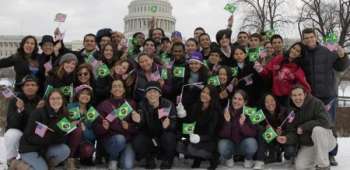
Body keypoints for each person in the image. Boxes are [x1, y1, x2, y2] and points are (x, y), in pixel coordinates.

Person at [300, 28, 349, 165]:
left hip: (328, 96)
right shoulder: (303, 54)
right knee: (312, 127)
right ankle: (315, 153)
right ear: (303, 39)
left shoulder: (328, 50)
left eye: (311, 37)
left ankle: (331, 154)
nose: (309, 40)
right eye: (306, 38)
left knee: (329, 125)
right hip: (311, 98)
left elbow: (340, 66)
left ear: (316, 37)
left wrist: (343, 56)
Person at [277, 85, 336, 170]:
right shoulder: (292, 112)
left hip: (326, 140)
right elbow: (293, 132)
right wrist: (286, 138)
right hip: (309, 145)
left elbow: (326, 122)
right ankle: (318, 160)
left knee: (317, 130)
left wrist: (304, 127)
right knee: (300, 166)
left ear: (304, 94)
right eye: (294, 95)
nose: (297, 98)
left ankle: (323, 166)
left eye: (300, 94)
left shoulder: (316, 103)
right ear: (291, 97)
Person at [14, 89, 71, 170]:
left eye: (58, 98)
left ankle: (47, 165)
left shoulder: (64, 115)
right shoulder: (38, 113)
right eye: (53, 98)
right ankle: (18, 164)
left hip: (45, 148)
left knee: (65, 150)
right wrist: (50, 137)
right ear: (48, 100)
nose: (56, 101)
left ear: (62, 100)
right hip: (30, 149)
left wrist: (58, 135)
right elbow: (29, 136)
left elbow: (62, 138)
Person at [132, 81, 177, 169]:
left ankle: (168, 159)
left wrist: (168, 125)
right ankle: (149, 157)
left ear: (160, 94)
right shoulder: (141, 104)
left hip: (164, 134)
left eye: (155, 92)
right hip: (150, 134)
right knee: (138, 141)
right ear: (145, 95)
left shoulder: (168, 104)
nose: (152, 94)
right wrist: (138, 121)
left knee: (169, 137)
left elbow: (174, 123)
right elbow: (141, 126)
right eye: (149, 92)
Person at [95, 79, 138, 170]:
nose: (117, 88)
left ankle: (118, 156)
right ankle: (112, 159)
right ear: (111, 90)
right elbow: (96, 128)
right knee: (119, 139)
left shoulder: (131, 104)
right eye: (114, 86)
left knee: (128, 166)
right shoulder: (103, 105)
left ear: (124, 90)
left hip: (127, 141)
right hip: (110, 141)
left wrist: (129, 127)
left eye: (120, 86)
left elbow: (137, 127)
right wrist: (103, 127)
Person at [177, 85, 221, 170]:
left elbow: (211, 134)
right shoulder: (195, 106)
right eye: (203, 92)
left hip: (208, 141)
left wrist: (199, 138)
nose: (204, 94)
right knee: (180, 144)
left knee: (191, 148)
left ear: (212, 97)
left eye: (208, 93)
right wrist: (182, 116)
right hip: (193, 139)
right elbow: (188, 126)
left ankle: (213, 158)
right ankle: (198, 157)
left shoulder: (214, 112)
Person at [256, 42, 311, 106]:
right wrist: (256, 64)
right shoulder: (278, 59)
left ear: (300, 55)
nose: (294, 51)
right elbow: (265, 72)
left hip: (288, 99)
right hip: (275, 96)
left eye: (297, 51)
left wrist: (304, 100)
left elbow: (306, 87)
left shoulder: (298, 69)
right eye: (293, 48)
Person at [4, 75, 42, 166]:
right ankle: (11, 159)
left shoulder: (41, 101)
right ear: (23, 87)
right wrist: (19, 110)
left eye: (33, 85)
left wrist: (38, 112)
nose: (30, 87)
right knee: (11, 134)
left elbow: (41, 124)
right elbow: (11, 123)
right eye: (27, 85)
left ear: (37, 87)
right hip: (20, 131)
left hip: (34, 133)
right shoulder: (15, 100)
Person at [254, 93, 297, 169]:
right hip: (269, 139)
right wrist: (264, 127)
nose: (270, 104)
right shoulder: (260, 113)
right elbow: (253, 125)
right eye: (267, 102)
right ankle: (260, 160)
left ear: (276, 101)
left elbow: (291, 129)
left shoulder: (285, 111)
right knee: (261, 130)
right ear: (263, 104)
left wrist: (282, 132)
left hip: (283, 138)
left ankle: (288, 158)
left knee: (290, 150)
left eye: (272, 100)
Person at [218, 90, 258, 169]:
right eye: (235, 98)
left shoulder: (251, 112)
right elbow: (222, 135)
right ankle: (229, 158)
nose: (236, 101)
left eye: (240, 99)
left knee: (252, 143)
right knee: (221, 144)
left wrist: (242, 125)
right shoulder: (226, 111)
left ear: (245, 102)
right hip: (231, 145)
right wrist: (227, 122)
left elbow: (254, 133)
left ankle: (248, 159)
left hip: (244, 145)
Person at [66, 85, 97, 169]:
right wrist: (71, 125)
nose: (85, 96)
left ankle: (77, 158)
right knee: (77, 128)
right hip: (69, 141)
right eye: (82, 93)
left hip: (83, 142)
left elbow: (93, 136)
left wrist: (84, 129)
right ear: (78, 95)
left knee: (89, 150)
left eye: (88, 94)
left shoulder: (92, 111)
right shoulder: (70, 106)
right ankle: (70, 159)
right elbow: (62, 126)